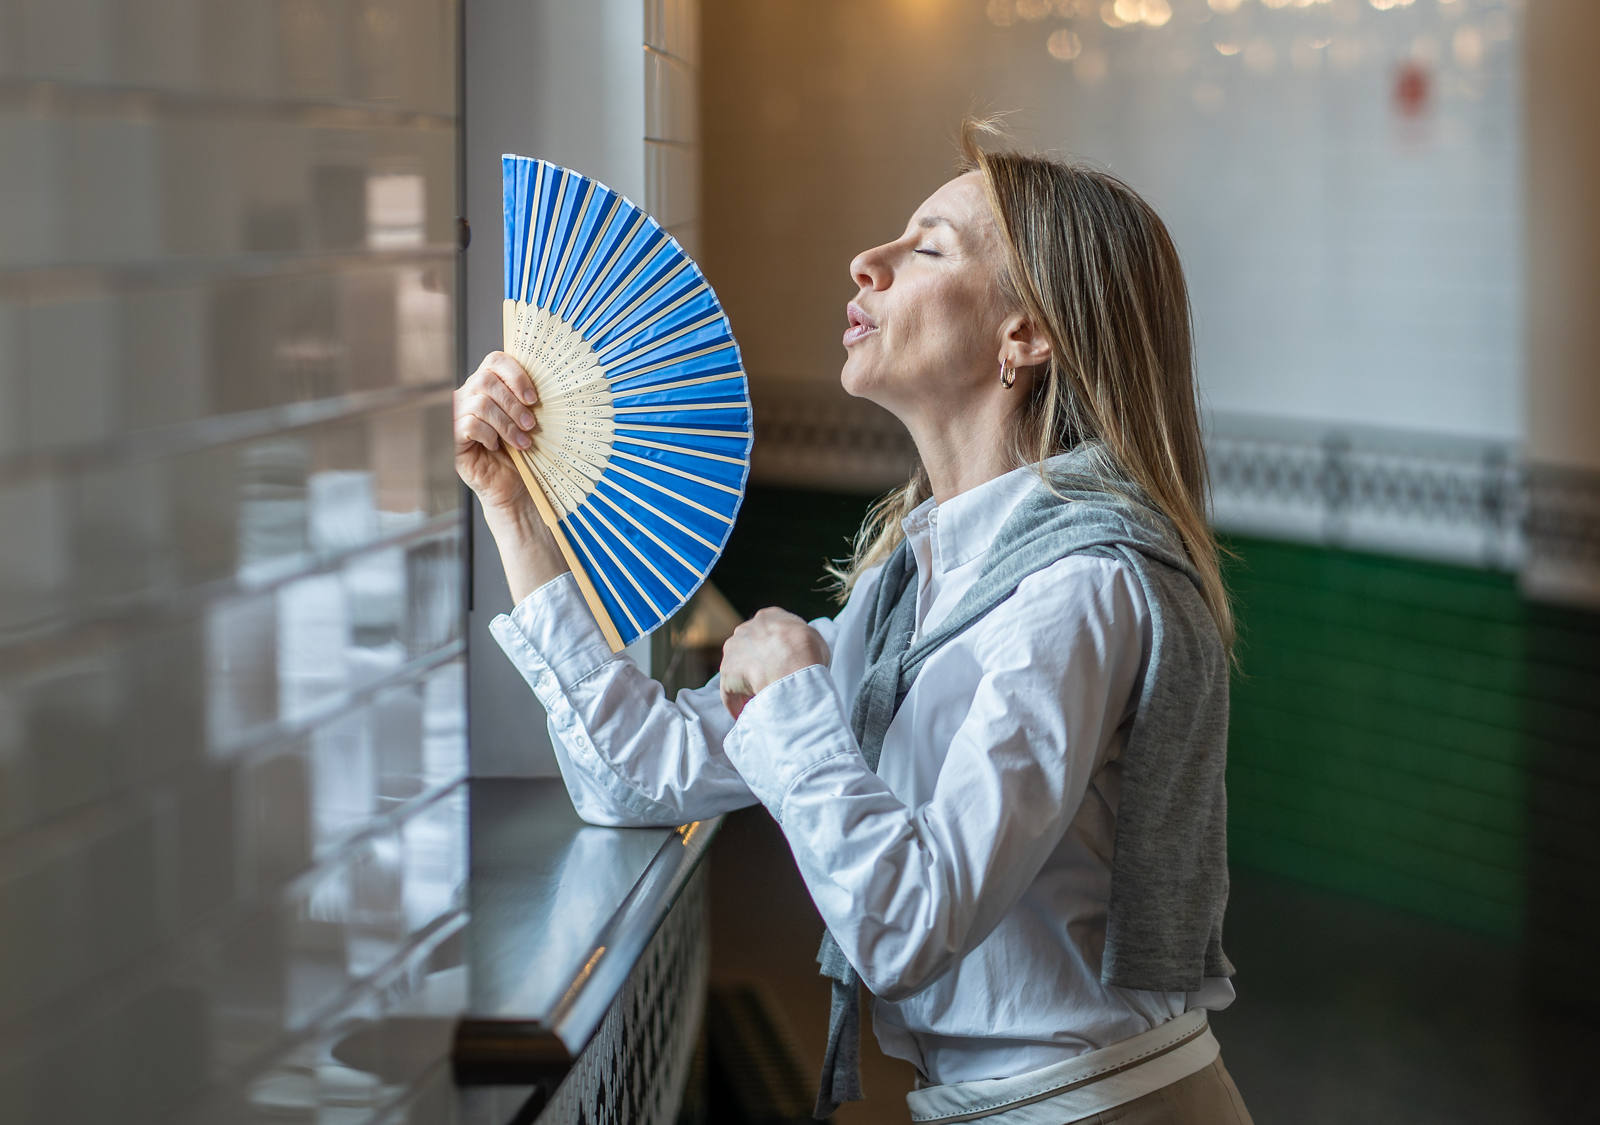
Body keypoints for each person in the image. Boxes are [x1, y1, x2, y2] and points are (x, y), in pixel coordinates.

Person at [454, 119, 1253, 1124]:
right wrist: (511, 509)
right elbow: (634, 776)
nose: (866, 262)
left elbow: (907, 929)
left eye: (926, 249)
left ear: (1025, 336)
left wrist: (792, 696)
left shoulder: (1080, 589)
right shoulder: (910, 593)